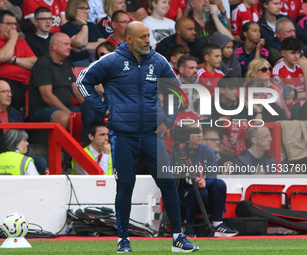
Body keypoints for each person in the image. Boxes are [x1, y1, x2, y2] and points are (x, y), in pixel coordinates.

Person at [76, 21, 199, 253]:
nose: (147, 41)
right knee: (125, 186)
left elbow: (176, 90)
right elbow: (83, 80)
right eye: (142, 37)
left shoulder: (158, 61)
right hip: (123, 136)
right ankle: (123, 240)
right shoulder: (111, 61)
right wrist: (102, 108)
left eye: (148, 36)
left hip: (152, 135)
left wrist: (168, 119)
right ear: (129, 39)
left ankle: (178, 238)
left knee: (168, 184)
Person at [177, 123, 238, 237]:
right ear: (186, 134)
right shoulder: (179, 153)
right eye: (195, 131)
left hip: (203, 189)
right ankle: (188, 224)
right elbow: (176, 180)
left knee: (219, 184)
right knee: (201, 192)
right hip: (187, 194)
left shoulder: (208, 152)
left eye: (200, 131)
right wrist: (194, 182)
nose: (199, 135)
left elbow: (212, 175)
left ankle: (217, 224)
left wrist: (205, 182)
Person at [0, 80, 47, 175]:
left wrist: (21, 156)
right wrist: (6, 156)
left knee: (40, 162)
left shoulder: (15, 114)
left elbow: (22, 137)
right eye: (5, 91)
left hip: (17, 155)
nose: (10, 94)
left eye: (10, 92)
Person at [0, 10, 37, 111]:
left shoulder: (22, 42)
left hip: (25, 83)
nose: (14, 27)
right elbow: (0, 58)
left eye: (15, 24)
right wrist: (13, 38)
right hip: (0, 85)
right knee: (12, 92)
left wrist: (15, 60)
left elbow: (35, 63)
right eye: (10, 24)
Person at [29, 33, 84, 130]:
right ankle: (65, 146)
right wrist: (69, 113)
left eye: (70, 44)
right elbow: (47, 96)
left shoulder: (66, 63)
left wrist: (90, 107)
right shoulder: (43, 64)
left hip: (67, 109)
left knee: (89, 114)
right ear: (54, 46)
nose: (70, 47)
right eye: (66, 44)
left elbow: (75, 89)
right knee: (64, 118)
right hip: (42, 110)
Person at [61, 0, 105, 66]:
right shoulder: (67, 27)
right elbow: (80, 42)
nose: (86, 12)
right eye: (82, 8)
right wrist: (84, 25)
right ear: (73, 9)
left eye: (87, 9)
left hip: (96, 60)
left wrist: (82, 48)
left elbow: (103, 43)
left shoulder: (92, 25)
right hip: (78, 61)